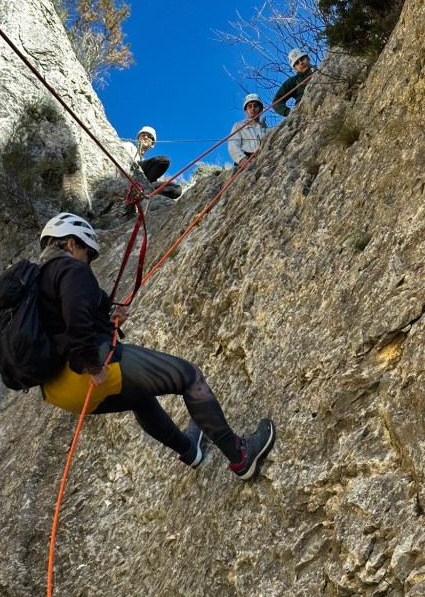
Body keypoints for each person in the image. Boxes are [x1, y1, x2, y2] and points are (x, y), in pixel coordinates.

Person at [37, 212, 276, 480]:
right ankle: (240, 456)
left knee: (140, 398)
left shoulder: (40, 279)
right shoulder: (70, 268)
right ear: (70, 243)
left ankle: (190, 450)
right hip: (85, 373)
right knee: (189, 377)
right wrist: (93, 365)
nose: (88, 261)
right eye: (88, 253)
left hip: (60, 392)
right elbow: (76, 318)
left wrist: (106, 317)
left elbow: (61, 323)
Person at [124, 126, 181, 198]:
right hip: (133, 174)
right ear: (138, 138)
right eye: (143, 135)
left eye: (149, 136)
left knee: (176, 189)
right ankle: (146, 189)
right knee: (163, 160)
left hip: (145, 181)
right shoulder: (129, 145)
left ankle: (148, 191)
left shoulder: (146, 161)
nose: (146, 137)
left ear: (152, 143)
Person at [228, 94, 267, 166]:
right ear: (246, 111)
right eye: (250, 106)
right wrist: (241, 159)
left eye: (255, 106)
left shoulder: (266, 130)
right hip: (245, 160)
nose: (253, 108)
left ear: (261, 109)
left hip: (263, 159)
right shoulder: (239, 126)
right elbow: (233, 143)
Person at [273, 49, 313, 118]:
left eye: (302, 59)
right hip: (304, 111)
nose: (301, 63)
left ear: (308, 58)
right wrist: (288, 112)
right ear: (295, 68)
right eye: (297, 63)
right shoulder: (293, 81)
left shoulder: (320, 72)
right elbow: (276, 101)